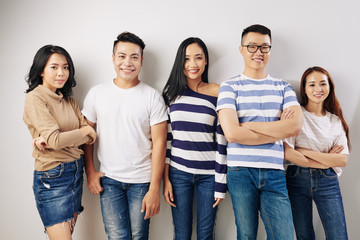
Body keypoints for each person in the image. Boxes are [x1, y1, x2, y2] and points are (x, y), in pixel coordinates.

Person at [216, 24, 302, 240]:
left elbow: (293, 127)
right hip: (240, 172)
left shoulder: (284, 87)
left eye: (264, 47)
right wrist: (276, 130)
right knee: (246, 235)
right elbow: (233, 135)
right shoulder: (229, 86)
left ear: (270, 50)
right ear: (241, 49)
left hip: (274, 171)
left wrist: (248, 125)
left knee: (284, 236)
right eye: (252, 47)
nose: (258, 53)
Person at [82, 32, 168, 240]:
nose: (127, 62)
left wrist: (155, 188)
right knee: (117, 237)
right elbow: (86, 137)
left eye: (134, 57)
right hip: (109, 180)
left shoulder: (152, 97)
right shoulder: (97, 93)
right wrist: (91, 172)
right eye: (121, 56)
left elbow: (160, 144)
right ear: (113, 58)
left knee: (139, 236)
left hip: (142, 181)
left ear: (141, 61)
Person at [23, 45, 97, 240]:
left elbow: (91, 137)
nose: (61, 73)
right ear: (41, 70)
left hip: (75, 173)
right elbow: (61, 139)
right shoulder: (35, 98)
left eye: (65, 67)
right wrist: (83, 131)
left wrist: (63, 138)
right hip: (52, 177)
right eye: (54, 67)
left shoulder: (69, 101)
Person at [162, 37, 225, 240]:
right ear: (180, 62)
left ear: (205, 61)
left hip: (209, 175)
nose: (193, 64)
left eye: (198, 58)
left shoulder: (217, 92)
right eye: (187, 58)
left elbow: (222, 140)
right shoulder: (171, 94)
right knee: (181, 234)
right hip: (179, 174)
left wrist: (220, 181)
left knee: (206, 235)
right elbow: (168, 141)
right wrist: (166, 179)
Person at [283, 66, 350, 240]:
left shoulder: (335, 120)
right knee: (303, 235)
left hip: (328, 181)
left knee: (338, 235)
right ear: (304, 89)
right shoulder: (296, 115)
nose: (318, 89)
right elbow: (287, 153)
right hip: (296, 179)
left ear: (329, 87)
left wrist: (304, 151)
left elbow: (342, 160)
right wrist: (328, 160)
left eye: (322, 84)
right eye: (312, 85)